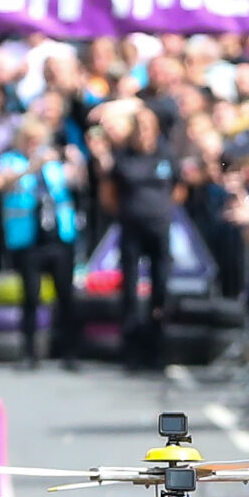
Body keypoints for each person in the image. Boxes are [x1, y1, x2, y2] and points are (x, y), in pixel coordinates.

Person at [92, 107, 179, 368]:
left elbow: (178, 188)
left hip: (159, 228)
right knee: (130, 289)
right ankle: (131, 349)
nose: (143, 133)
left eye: (147, 127)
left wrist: (160, 210)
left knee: (160, 287)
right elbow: (108, 194)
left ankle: (157, 347)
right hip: (131, 228)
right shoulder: (122, 158)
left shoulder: (166, 156)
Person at [0, 120, 84, 365]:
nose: (34, 145)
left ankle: (70, 352)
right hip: (28, 238)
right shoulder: (10, 161)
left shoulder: (54, 165)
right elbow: (5, 183)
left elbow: (77, 182)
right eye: (29, 140)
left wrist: (76, 161)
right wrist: (32, 168)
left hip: (59, 237)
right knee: (30, 297)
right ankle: (29, 353)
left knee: (66, 296)